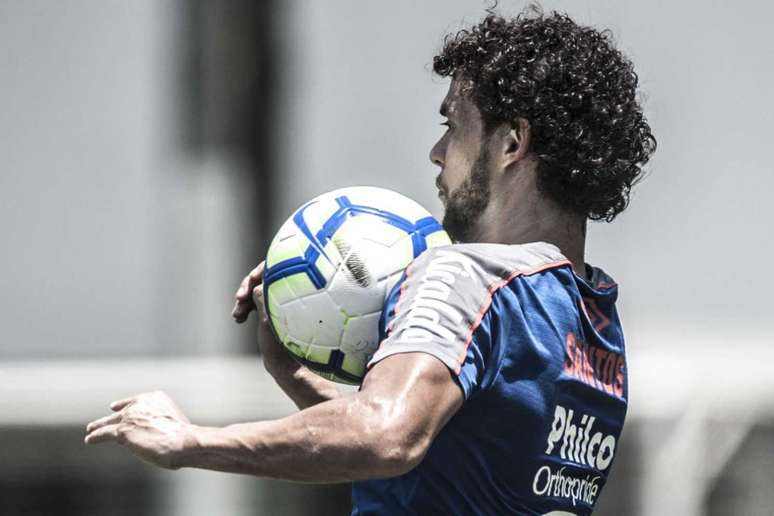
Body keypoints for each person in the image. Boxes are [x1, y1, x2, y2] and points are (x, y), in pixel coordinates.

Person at [85, 7, 655, 515]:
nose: (437, 152)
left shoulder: (467, 276)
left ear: (511, 144)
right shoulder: (595, 320)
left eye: (452, 126)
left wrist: (189, 441)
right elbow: (433, 456)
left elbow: (387, 437)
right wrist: (300, 376)